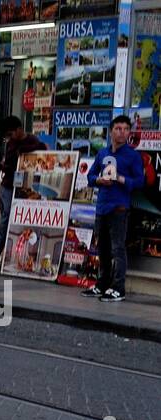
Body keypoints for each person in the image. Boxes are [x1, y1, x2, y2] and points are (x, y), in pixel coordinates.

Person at [80, 115, 143, 302]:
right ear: (111, 131)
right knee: (103, 249)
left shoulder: (133, 156)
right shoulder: (102, 153)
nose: (121, 132)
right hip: (102, 206)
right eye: (118, 128)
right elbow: (90, 176)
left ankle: (118, 288)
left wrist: (121, 179)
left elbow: (140, 181)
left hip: (119, 207)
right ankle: (101, 284)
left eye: (125, 129)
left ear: (129, 133)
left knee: (118, 249)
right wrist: (99, 180)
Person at [0, 116, 43, 274]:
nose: (10, 138)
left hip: (22, 189)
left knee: (15, 225)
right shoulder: (12, 144)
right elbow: (12, 160)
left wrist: (21, 151)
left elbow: (39, 148)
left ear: (19, 129)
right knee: (4, 225)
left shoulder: (30, 140)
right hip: (8, 188)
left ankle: (3, 261)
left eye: (11, 134)